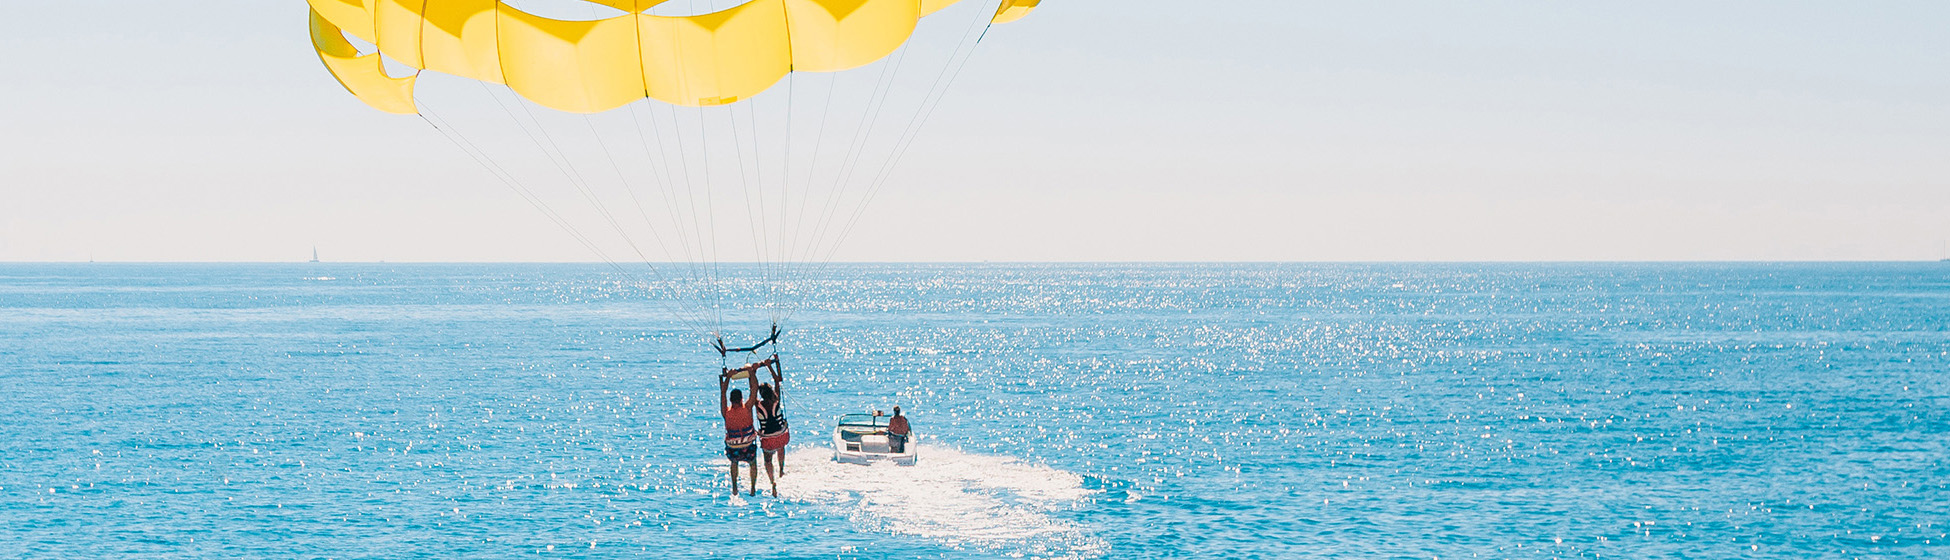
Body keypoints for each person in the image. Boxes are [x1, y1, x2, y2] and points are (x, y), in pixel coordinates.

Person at [719, 367, 760, 496]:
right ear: (742, 399)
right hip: (748, 449)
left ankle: (735, 487)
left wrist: (727, 378)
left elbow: (723, 392)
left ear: (731, 400)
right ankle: (753, 487)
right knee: (753, 463)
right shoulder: (747, 408)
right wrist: (751, 372)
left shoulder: (726, 412)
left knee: (734, 462)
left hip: (733, 451)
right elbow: (754, 389)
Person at [754, 358, 790, 497]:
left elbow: (753, 388)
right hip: (781, 436)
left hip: (768, 439)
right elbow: (777, 381)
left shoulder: (757, 404)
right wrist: (770, 366)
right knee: (780, 446)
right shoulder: (776, 400)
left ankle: (772, 481)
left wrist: (754, 372)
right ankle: (781, 468)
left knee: (767, 460)